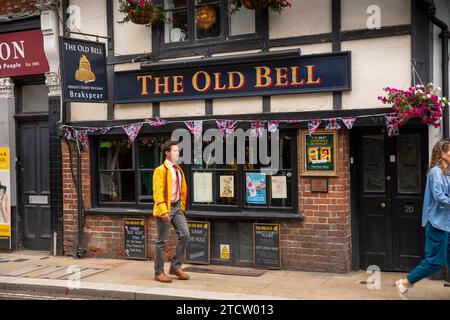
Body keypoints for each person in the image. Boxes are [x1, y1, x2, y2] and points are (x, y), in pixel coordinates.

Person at [395, 139, 450, 294]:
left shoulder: (447, 171)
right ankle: (405, 282)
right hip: (437, 224)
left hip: (447, 223)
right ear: (443, 154)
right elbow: (439, 196)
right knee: (435, 262)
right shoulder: (436, 172)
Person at [152, 140, 190, 283]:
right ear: (167, 153)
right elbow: (158, 192)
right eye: (175, 151)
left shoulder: (178, 169)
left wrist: (181, 207)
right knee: (162, 241)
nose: (177, 153)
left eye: (178, 151)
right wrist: (163, 210)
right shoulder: (160, 170)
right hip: (164, 208)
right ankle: (158, 272)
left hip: (176, 207)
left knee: (185, 234)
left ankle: (175, 266)